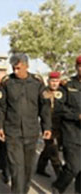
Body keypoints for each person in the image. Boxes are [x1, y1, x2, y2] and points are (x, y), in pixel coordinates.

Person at [0, 53, 52, 194]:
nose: (15, 71)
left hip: (31, 132)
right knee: (16, 168)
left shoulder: (37, 82)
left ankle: (23, 191)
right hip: (12, 132)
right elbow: (0, 107)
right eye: (13, 68)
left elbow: (45, 107)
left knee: (28, 168)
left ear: (26, 66)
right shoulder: (7, 83)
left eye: (18, 68)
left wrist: (47, 127)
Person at [52, 55, 81, 194]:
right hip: (71, 134)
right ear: (77, 67)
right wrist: (77, 116)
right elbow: (58, 108)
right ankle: (58, 187)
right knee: (73, 168)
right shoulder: (67, 85)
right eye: (80, 66)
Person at [36, 71, 63, 178]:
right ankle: (60, 175)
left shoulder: (63, 92)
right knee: (53, 150)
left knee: (48, 148)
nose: (54, 83)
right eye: (52, 81)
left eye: (56, 81)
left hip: (60, 125)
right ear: (48, 81)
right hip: (47, 126)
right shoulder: (43, 92)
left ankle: (40, 168)